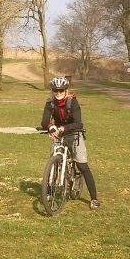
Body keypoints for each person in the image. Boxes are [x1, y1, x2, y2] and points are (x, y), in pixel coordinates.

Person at [40, 76, 100, 210]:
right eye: (55, 90)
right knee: (54, 161)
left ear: (66, 90)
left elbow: (78, 123)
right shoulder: (50, 103)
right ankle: (49, 192)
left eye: (61, 90)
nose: (58, 93)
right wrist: (51, 127)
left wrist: (63, 128)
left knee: (82, 165)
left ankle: (94, 199)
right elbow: (44, 121)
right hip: (59, 134)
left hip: (74, 133)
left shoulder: (72, 102)